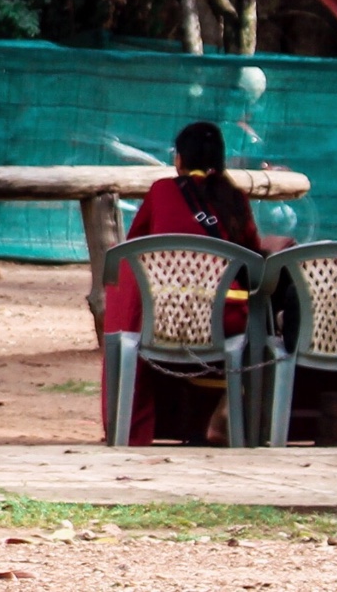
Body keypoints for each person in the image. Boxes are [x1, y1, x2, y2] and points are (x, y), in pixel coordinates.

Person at [102, 121, 267, 445]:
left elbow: (133, 249)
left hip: (163, 319)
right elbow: (253, 261)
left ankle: (134, 429)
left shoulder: (161, 191)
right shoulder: (236, 199)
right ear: (220, 160)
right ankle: (235, 422)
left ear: (179, 159)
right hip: (223, 323)